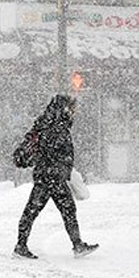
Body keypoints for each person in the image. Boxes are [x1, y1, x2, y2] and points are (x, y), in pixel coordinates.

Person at [13, 94, 98, 260]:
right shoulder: (54, 127)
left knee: (39, 210)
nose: (74, 111)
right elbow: (54, 152)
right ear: (64, 109)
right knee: (58, 210)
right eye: (72, 108)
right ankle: (76, 245)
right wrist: (62, 166)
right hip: (51, 177)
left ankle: (22, 245)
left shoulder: (48, 123)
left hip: (49, 176)